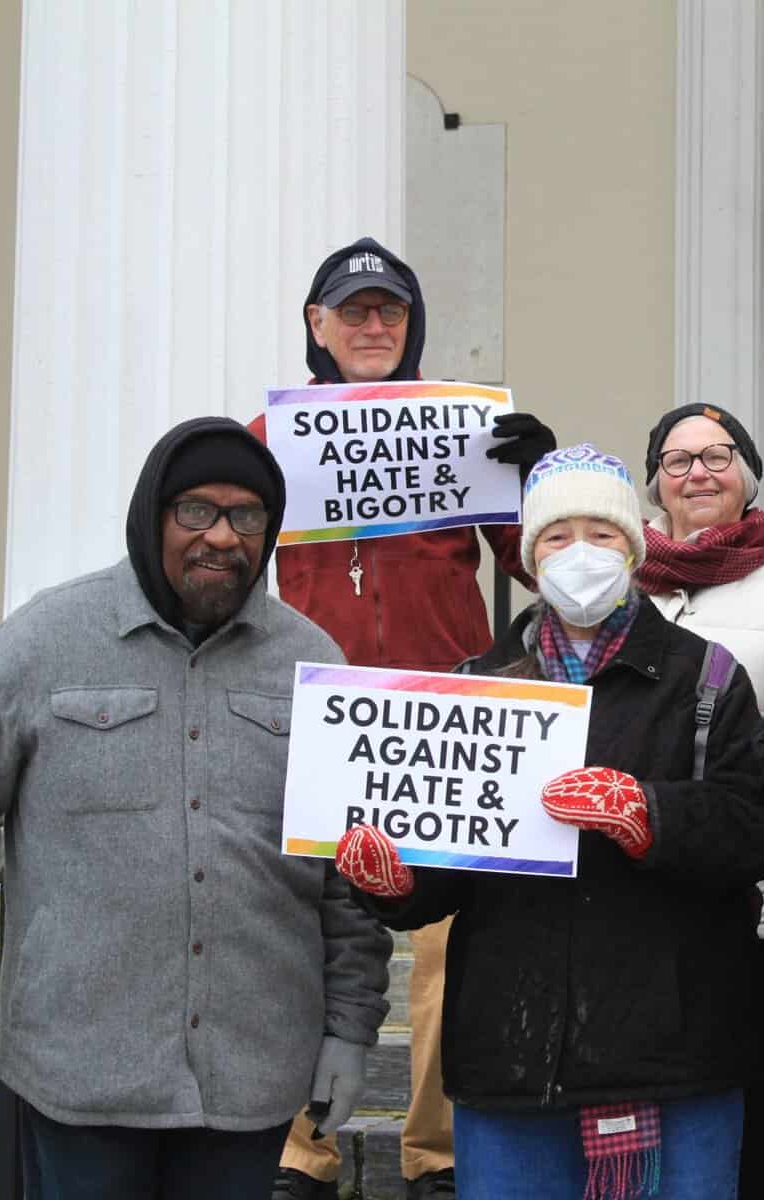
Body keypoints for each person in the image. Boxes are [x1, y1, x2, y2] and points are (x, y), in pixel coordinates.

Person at [0, 418, 391, 1198]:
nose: (222, 536)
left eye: (247, 516)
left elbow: (350, 876)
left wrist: (351, 1027)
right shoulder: (44, 638)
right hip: (80, 1073)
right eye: (197, 512)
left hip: (250, 1076)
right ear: (153, 517)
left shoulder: (313, 663)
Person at [335, 445, 764, 1199]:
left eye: (602, 534)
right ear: (528, 556)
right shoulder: (473, 686)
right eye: (556, 536)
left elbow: (761, 829)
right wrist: (397, 884)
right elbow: (449, 875)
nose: (580, 552)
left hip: (675, 1050)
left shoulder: (706, 676)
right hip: (514, 1053)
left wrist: (651, 815)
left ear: (635, 548)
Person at [251, 236, 555, 1200]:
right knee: (299, 944)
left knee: (448, 955)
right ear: (317, 327)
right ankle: (303, 1150)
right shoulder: (269, 437)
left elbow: (547, 565)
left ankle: (438, 1154)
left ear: (410, 325)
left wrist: (538, 479)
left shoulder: (463, 432)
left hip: (445, 721)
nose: (373, 327)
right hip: (316, 716)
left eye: (390, 312)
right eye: (354, 312)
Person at [634, 402, 764, 1199]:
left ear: (749, 477)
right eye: (678, 459)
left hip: (758, 886)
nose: (698, 472)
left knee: (757, 1090)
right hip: (639, 875)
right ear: (655, 481)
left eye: (718, 456)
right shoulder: (618, 580)